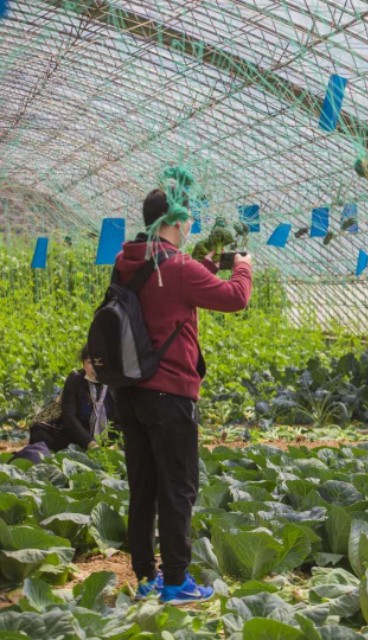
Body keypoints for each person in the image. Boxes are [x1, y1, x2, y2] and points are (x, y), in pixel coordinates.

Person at [112, 182, 252, 605]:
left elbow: (168, 291)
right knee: (178, 487)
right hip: (169, 392)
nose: (191, 224)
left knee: (143, 487)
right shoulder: (178, 267)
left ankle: (145, 578)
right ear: (174, 220)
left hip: (130, 392)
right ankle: (175, 582)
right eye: (188, 217)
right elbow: (236, 298)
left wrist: (204, 264)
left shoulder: (128, 260)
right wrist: (242, 267)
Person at [27, 345, 116, 452]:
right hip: (73, 435)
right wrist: (89, 443)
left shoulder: (115, 383)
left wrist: (114, 445)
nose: (95, 368)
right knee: (40, 435)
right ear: (83, 363)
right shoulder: (75, 379)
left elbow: (120, 420)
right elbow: (69, 416)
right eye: (89, 362)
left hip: (106, 441)